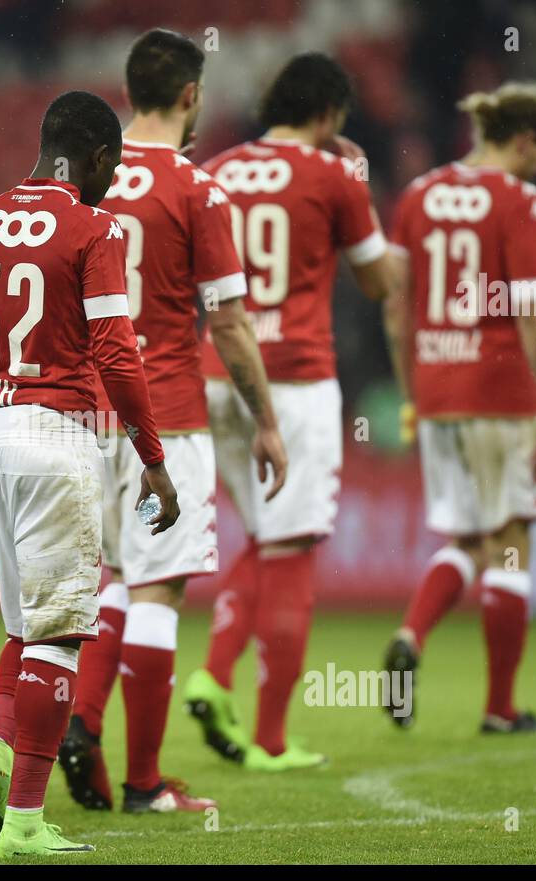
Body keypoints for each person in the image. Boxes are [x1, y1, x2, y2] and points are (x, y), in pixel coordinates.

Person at [0, 90, 177, 857]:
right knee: (60, 633)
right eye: (112, 168)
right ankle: (26, 820)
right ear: (94, 158)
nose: (111, 182)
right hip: (53, 432)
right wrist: (153, 457)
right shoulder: (91, 226)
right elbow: (117, 350)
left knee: (26, 627)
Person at [59, 28, 284, 815]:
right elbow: (227, 323)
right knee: (158, 588)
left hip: (84, 416)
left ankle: (82, 721)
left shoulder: (82, 183)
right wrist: (265, 418)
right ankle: (146, 782)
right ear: (191, 96)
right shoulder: (197, 189)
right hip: (168, 416)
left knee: (117, 576)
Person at [183, 53, 392, 769]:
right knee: (292, 547)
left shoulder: (218, 170)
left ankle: (214, 672)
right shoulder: (336, 173)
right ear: (330, 114)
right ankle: (269, 736)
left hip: (217, 373)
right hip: (295, 382)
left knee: (266, 537)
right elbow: (375, 279)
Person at [380, 81, 536, 734]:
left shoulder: (419, 193)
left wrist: (412, 389)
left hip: (435, 388)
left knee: (465, 538)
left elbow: (396, 307)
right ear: (523, 139)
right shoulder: (519, 199)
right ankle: (500, 708)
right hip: (501, 387)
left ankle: (411, 634)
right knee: (510, 543)